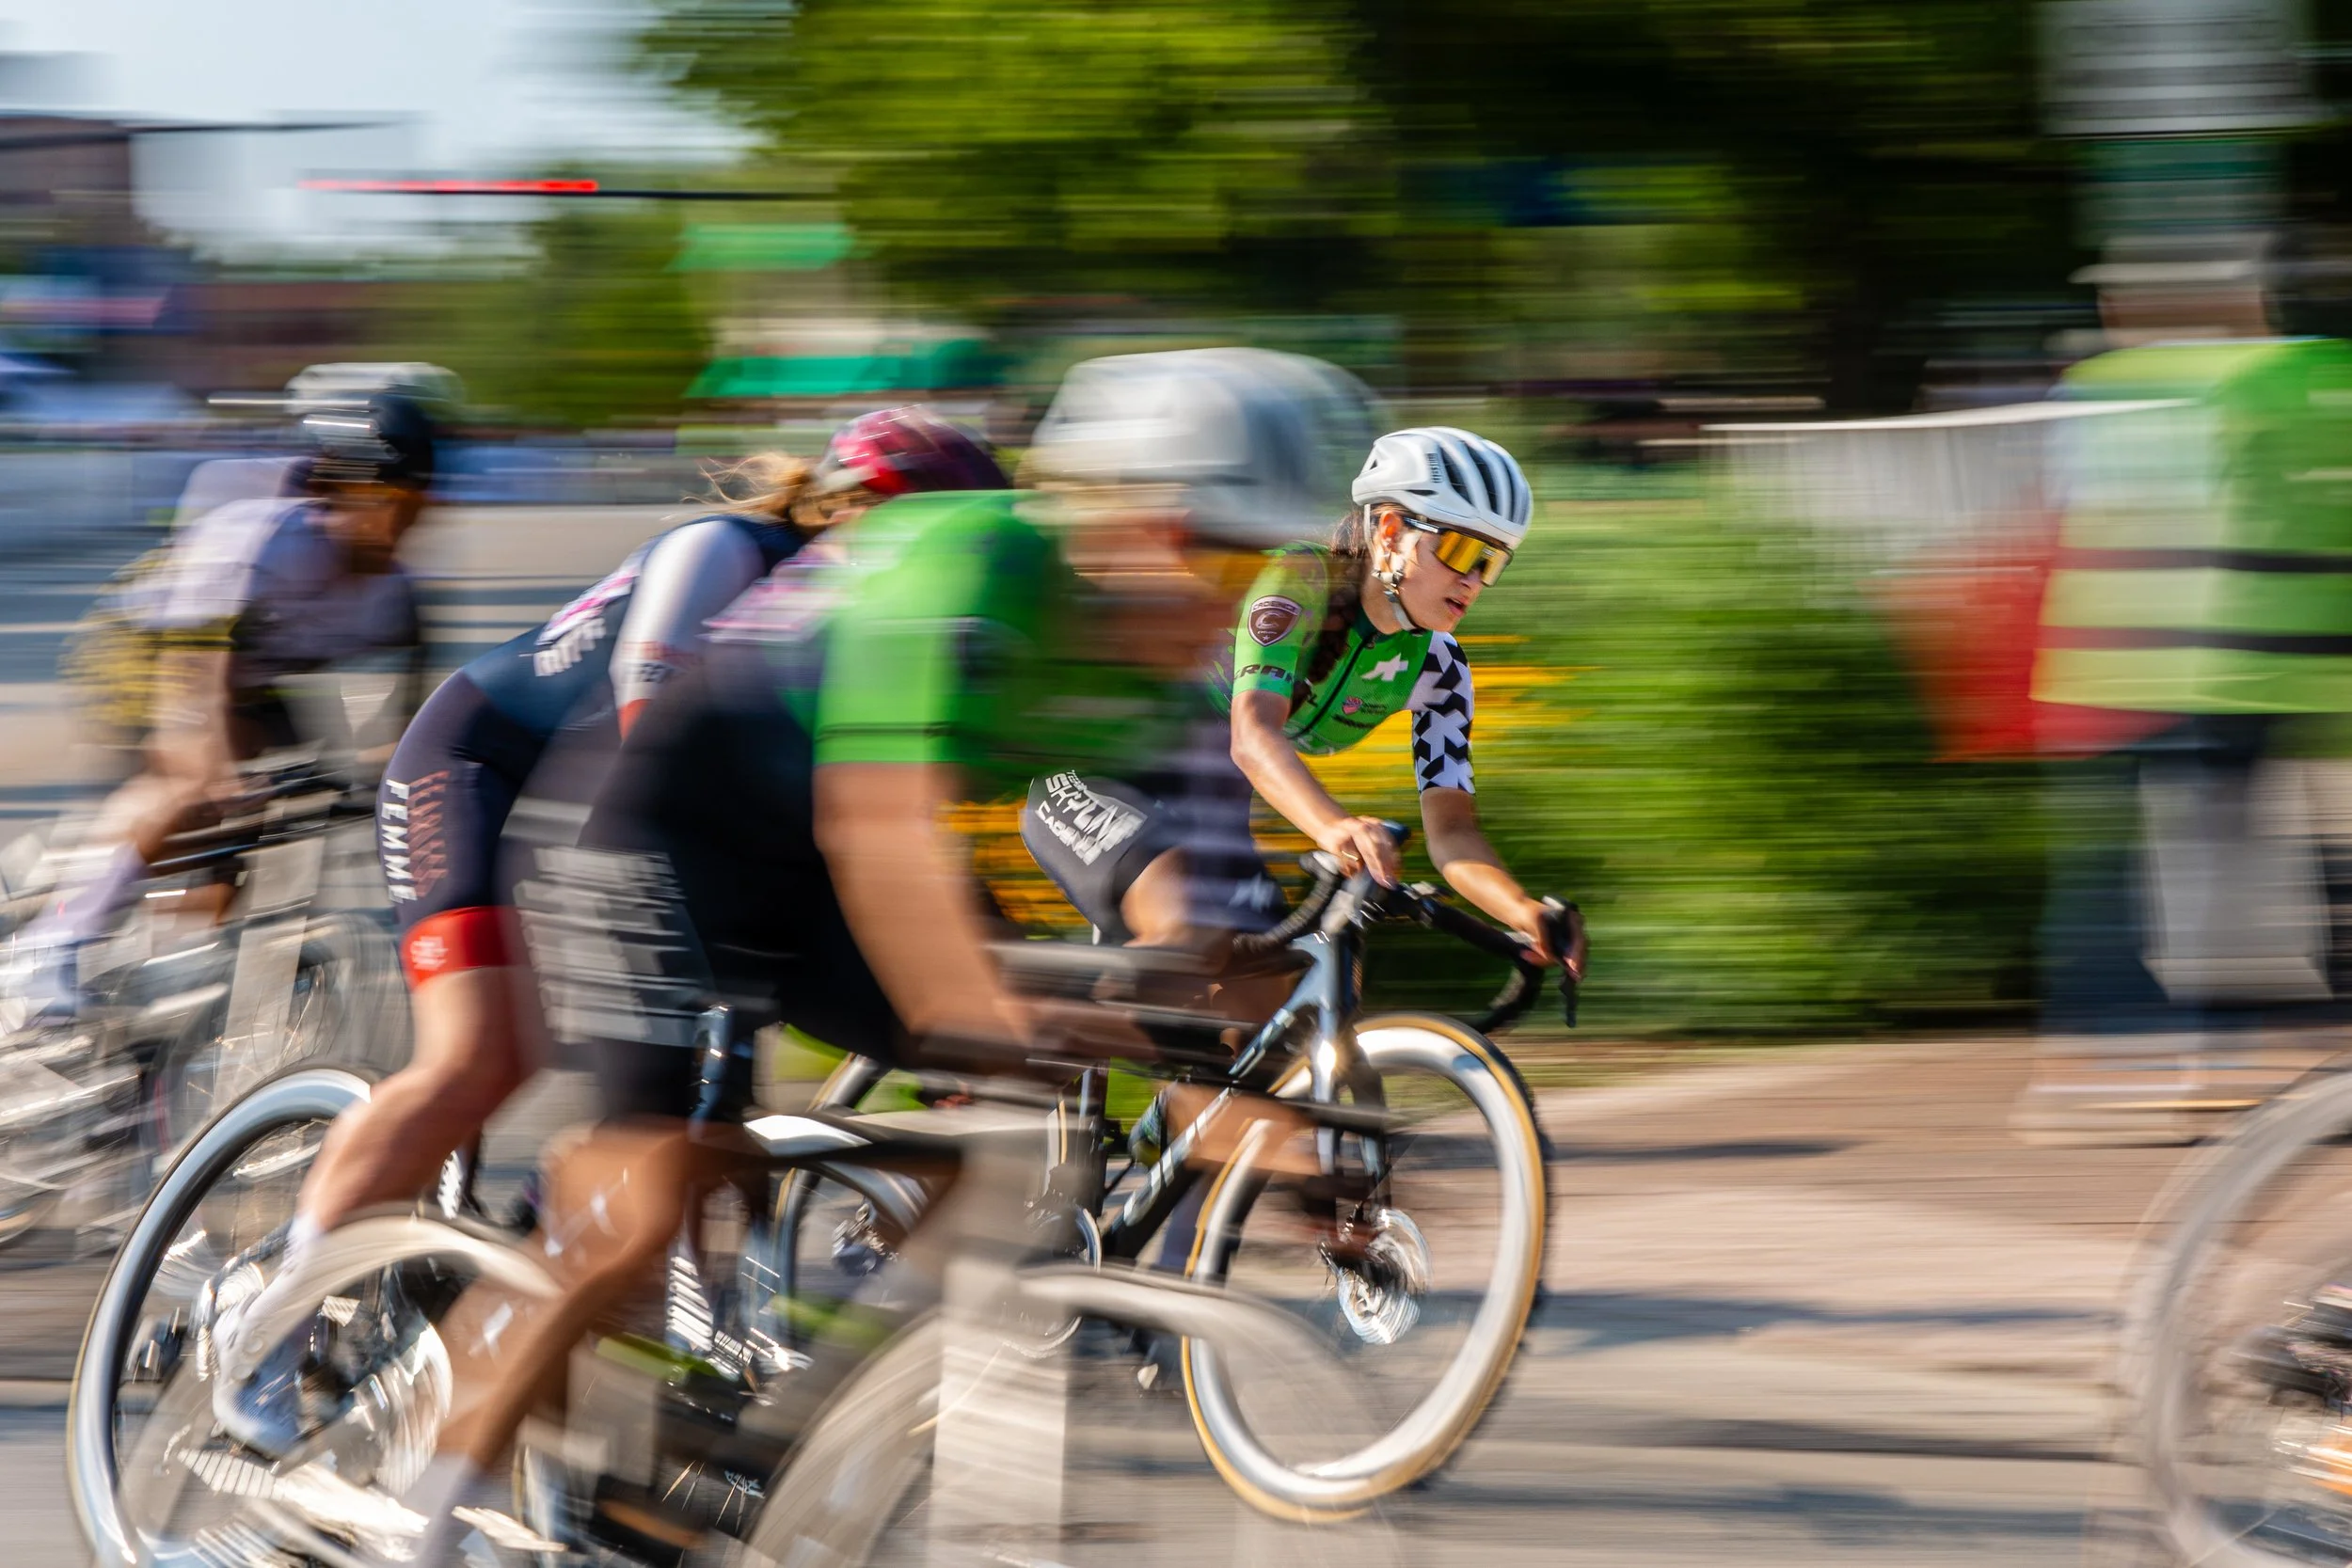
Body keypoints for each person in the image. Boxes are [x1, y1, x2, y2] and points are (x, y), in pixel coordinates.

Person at [326, 348, 1381, 1560]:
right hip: (660, 831)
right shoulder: (963, 558)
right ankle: (419, 1518)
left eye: (1256, 565)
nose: (1229, 597)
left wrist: (1293, 1146)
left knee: (986, 1156)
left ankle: (739, 1454)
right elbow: (875, 828)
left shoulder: (1155, 677)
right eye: (1214, 550)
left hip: (809, 876)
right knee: (648, 1190)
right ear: (1129, 513)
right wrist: (1001, 1007)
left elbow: (1198, 949)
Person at [210, 409, 1007, 1450]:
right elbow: (650, 718)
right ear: (850, 510)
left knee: (696, 1099)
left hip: (612, 816)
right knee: (481, 1054)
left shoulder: (874, 624)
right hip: (479, 767)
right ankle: (267, 1318)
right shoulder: (729, 552)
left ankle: (551, 1260)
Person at [1024, 422, 1584, 976]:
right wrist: (1336, 827)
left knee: (1272, 1003)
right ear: (1389, 530)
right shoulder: (1300, 581)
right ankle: (1030, 1034)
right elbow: (1252, 735)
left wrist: (1522, 911)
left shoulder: (1440, 668)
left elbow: (1453, 833)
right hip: (1098, 774)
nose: (1474, 581)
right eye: (1462, 551)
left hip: (1204, 803)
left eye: (1493, 562)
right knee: (1190, 935)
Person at [3, 394, 439, 1025]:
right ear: (336, 492)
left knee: (249, 838)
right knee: (194, 782)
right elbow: (195, 695)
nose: (396, 529)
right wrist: (217, 772)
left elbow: (409, 737)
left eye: (414, 509)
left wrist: (376, 777)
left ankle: (173, 976)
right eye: (384, 504)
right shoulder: (264, 542)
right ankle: (50, 945)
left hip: (253, 676)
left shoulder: (399, 598)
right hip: (145, 648)